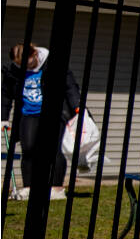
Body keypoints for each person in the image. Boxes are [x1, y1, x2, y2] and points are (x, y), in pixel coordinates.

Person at [4, 42, 83, 200]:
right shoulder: (13, 70)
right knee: (28, 149)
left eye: (27, 62)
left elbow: (69, 86)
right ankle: (29, 187)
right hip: (28, 113)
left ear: (34, 55)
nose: (25, 67)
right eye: (20, 64)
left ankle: (56, 188)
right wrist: (3, 118)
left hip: (54, 113)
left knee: (54, 148)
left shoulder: (52, 63)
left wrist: (77, 107)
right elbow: (5, 94)